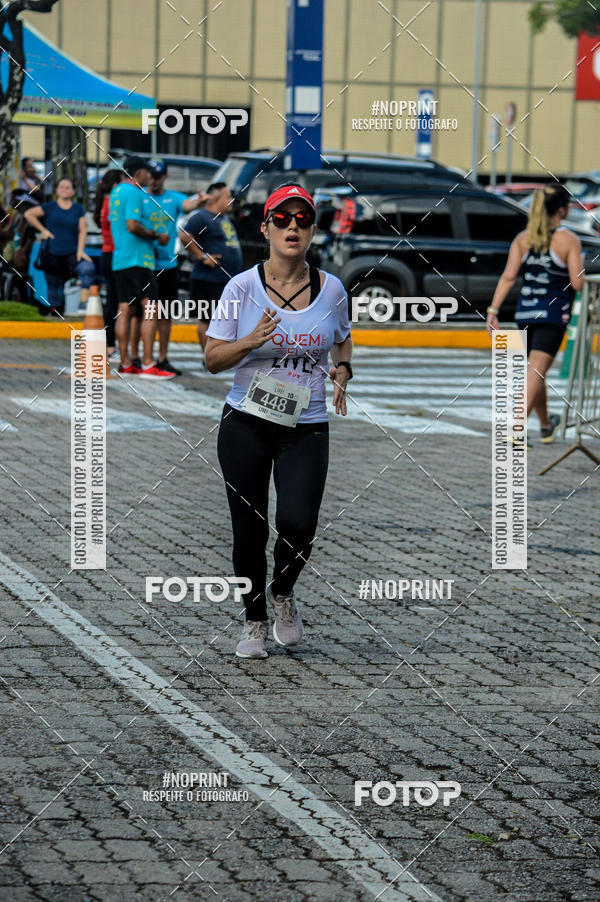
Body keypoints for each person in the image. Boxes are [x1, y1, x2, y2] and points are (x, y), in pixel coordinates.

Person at [204, 184, 353, 659]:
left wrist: (343, 370)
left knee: (299, 523)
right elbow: (211, 359)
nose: (293, 227)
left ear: (312, 229)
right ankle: (253, 621)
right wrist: (249, 341)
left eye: (302, 219)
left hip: (305, 425)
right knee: (249, 530)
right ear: (265, 227)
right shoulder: (240, 288)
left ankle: (282, 591)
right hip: (246, 421)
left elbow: (343, 340)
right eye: (282, 219)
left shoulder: (332, 289)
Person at [487, 183, 584, 443]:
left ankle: (544, 424)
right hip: (553, 313)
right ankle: (517, 428)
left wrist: (493, 310)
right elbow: (577, 283)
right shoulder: (568, 239)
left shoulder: (523, 238)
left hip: (526, 311)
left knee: (535, 369)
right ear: (562, 210)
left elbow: (508, 277)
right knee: (536, 369)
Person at [109, 155, 173, 378]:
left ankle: (126, 362)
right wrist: (156, 235)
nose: (150, 176)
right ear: (138, 173)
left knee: (125, 309)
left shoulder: (116, 192)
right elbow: (132, 225)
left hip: (120, 258)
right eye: (148, 172)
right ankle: (147, 363)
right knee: (151, 308)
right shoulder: (135, 192)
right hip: (139, 259)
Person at [143, 159, 206, 374]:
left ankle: (162, 358)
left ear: (165, 177)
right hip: (145, 264)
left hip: (168, 264)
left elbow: (188, 205)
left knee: (165, 314)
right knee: (145, 313)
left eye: (158, 176)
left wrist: (200, 201)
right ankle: (145, 359)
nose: (153, 180)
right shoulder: (140, 196)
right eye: (151, 175)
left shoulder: (173, 197)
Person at [179, 181, 243, 359]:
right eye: (228, 197)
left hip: (224, 280)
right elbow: (184, 236)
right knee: (207, 319)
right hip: (208, 278)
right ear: (215, 198)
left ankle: (219, 355)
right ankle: (208, 358)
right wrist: (202, 257)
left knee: (224, 320)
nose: (231, 200)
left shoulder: (222, 218)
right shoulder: (202, 217)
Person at [25, 178, 95, 315]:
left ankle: (83, 303)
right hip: (52, 253)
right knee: (53, 286)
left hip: (72, 253)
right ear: (57, 190)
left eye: (68, 187)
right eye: (62, 187)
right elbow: (29, 214)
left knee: (88, 268)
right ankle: (55, 314)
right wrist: (44, 231)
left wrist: (81, 251)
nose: (64, 189)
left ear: (74, 191)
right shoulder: (50, 206)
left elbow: (83, 230)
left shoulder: (78, 209)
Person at [94, 169, 123, 357]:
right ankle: (110, 343)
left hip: (107, 254)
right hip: (115, 254)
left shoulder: (103, 202)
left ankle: (111, 342)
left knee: (112, 300)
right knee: (116, 301)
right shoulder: (112, 203)